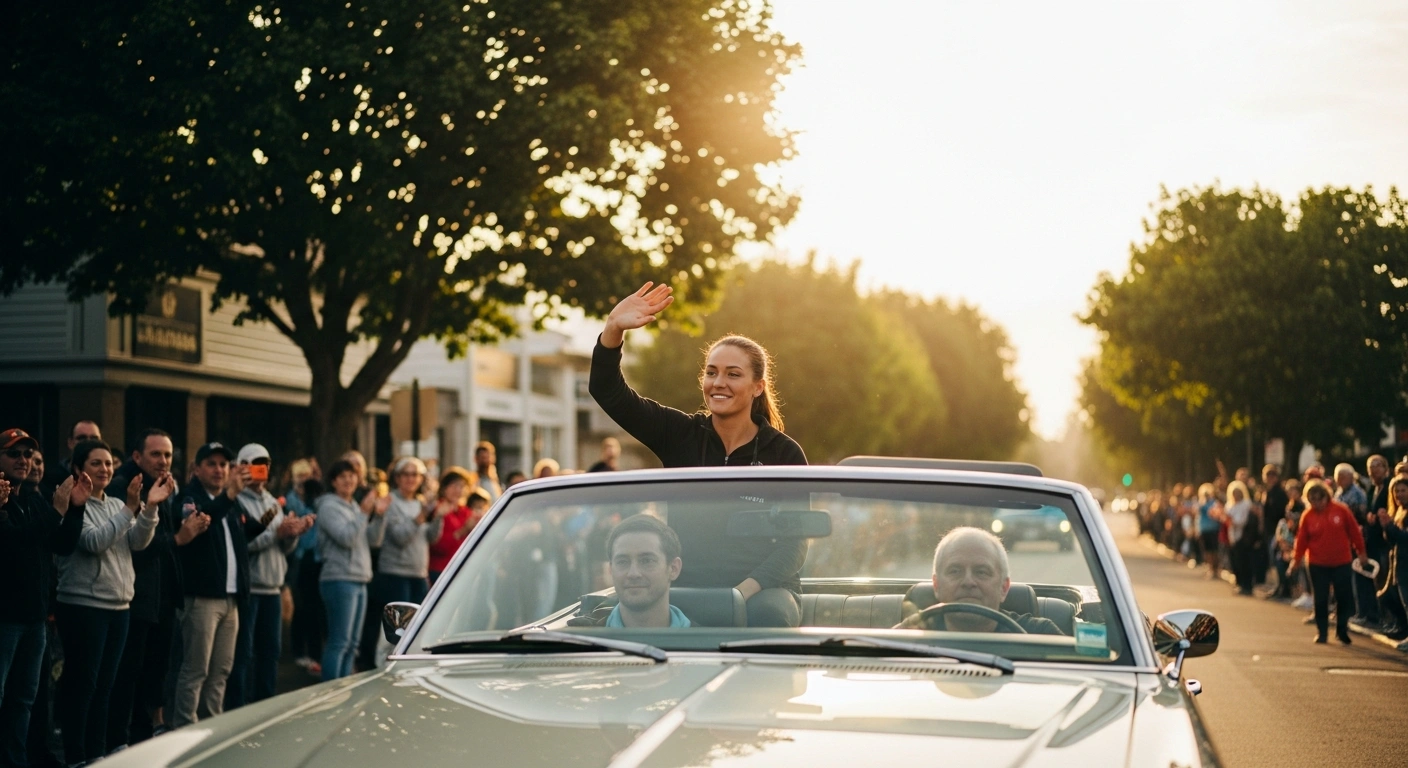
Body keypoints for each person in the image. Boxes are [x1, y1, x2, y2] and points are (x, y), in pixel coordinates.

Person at [590, 282, 808, 628]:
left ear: (758, 387)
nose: (718, 382)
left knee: (768, 615)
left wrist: (740, 593)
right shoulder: (680, 434)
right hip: (687, 586)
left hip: (763, 592)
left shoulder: (784, 453)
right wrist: (613, 329)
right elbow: (607, 391)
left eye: (733, 374)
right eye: (711, 372)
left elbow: (794, 548)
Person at [54, 439, 169, 764]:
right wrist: (130, 509)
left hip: (119, 608)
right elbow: (93, 541)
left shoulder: (115, 503)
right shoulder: (71, 506)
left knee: (106, 687)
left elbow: (137, 541)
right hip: (83, 607)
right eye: (95, 463)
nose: (104, 469)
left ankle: (98, 753)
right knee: (84, 686)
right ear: (78, 469)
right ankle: (76, 756)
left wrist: (150, 507)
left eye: (107, 463)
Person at [0, 429, 85, 767]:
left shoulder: (32, 499)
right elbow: (11, 543)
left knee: (23, 700)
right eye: (14, 454)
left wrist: (75, 509)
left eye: (28, 454)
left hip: (34, 620)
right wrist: (57, 511)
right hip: (5, 619)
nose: (23, 461)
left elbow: (61, 545)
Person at [170, 442, 270, 728]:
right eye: (211, 464)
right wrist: (229, 494)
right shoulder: (189, 498)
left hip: (230, 599)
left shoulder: (231, 501)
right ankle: (184, 731)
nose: (219, 469)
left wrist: (272, 524)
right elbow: (200, 522)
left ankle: (211, 728)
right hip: (202, 599)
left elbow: (244, 532)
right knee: (195, 670)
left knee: (221, 670)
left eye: (224, 464)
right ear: (196, 469)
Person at [106, 428, 191, 750]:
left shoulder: (165, 485)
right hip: (136, 597)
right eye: (156, 454)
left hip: (162, 597)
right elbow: (137, 547)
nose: (164, 461)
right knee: (130, 675)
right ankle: (122, 742)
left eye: (168, 455)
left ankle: (146, 736)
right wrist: (179, 539)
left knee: (157, 669)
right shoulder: (123, 488)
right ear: (137, 456)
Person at [232, 444, 312, 704]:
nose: (263, 469)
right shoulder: (236, 500)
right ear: (242, 466)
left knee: (270, 653)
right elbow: (242, 545)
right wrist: (276, 534)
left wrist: (293, 534)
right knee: (244, 655)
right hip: (249, 588)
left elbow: (283, 548)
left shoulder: (272, 501)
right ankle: (239, 709)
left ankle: (264, 705)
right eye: (256, 463)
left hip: (273, 587)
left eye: (266, 464)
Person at [894, 527, 1063, 635]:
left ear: (1004, 588)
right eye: (955, 571)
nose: (968, 582)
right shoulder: (908, 635)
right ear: (936, 585)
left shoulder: (1041, 635)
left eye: (981, 572)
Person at [317, 460, 387, 681]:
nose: (348, 480)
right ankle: (329, 693)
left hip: (359, 579)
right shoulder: (328, 507)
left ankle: (344, 692)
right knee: (339, 642)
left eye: (352, 476)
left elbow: (373, 540)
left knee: (352, 644)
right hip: (339, 579)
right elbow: (346, 538)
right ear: (333, 481)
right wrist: (364, 514)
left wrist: (380, 515)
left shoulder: (355, 507)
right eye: (343, 476)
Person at [572, 515, 691, 628]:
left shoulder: (704, 643)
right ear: (610, 570)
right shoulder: (582, 642)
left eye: (647, 561)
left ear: (673, 569)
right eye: (622, 562)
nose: (633, 574)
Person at [1288, 479, 1369, 645]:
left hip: (1341, 561)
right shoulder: (1307, 516)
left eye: (1320, 498)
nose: (1317, 503)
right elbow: (1301, 540)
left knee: (1343, 597)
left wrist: (1361, 552)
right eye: (1312, 499)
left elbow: (1354, 532)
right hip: (1318, 563)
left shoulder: (1341, 510)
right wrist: (1295, 560)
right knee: (1321, 598)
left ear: (1326, 496)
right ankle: (1322, 632)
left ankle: (1341, 630)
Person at [372, 458, 446, 631]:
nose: (410, 479)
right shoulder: (390, 502)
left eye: (415, 475)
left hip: (418, 574)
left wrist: (438, 517)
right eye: (406, 474)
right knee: (398, 631)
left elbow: (431, 538)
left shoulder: (420, 502)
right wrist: (420, 518)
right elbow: (399, 538)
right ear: (397, 477)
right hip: (395, 574)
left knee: (418, 628)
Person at [283, 461, 324, 675]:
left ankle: (316, 654)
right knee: (301, 607)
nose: (304, 480)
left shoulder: (316, 497)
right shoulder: (290, 499)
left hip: (316, 559)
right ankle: (299, 652)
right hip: (299, 559)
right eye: (300, 476)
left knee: (315, 608)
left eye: (307, 475)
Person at [1331, 463, 1377, 629]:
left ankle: (1365, 612)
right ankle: (1353, 611)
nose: (1340, 480)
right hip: (1341, 541)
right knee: (1346, 579)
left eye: (1343, 476)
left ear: (1350, 477)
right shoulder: (1339, 493)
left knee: (1359, 578)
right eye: (1338, 477)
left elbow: (1360, 518)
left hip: (1355, 539)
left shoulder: (1357, 494)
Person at [428, 469, 486, 585]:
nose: (458, 490)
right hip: (440, 571)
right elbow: (438, 545)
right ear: (444, 488)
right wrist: (462, 531)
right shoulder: (438, 509)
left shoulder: (465, 511)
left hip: (461, 570)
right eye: (454, 486)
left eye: (462, 486)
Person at [1375, 477, 1408, 650]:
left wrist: (1390, 527)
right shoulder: (1398, 511)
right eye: (1396, 491)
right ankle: (1402, 628)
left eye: (1403, 490)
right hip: (1398, 562)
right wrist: (1386, 526)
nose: (1399, 494)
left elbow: (1405, 538)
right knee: (1390, 597)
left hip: (1405, 562)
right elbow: (1392, 539)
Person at [1364, 455, 1394, 635]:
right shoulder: (1372, 490)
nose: (1374, 470)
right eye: (1371, 467)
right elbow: (1369, 508)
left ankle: (1393, 619)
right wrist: (1368, 514)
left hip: (1386, 542)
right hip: (1373, 541)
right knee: (1378, 580)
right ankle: (1385, 618)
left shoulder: (1390, 487)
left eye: (1377, 466)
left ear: (1385, 468)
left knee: (1389, 583)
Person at [40, 421, 102, 499]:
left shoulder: (110, 478)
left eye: (94, 438)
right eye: (82, 438)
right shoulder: (51, 477)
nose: (89, 443)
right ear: (70, 442)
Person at [1224, 481, 1256, 595]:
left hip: (1243, 537)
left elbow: (1242, 521)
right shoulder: (1229, 505)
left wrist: (1231, 520)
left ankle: (1247, 585)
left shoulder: (1246, 504)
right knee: (1235, 563)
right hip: (1232, 537)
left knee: (1244, 563)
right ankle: (1239, 583)